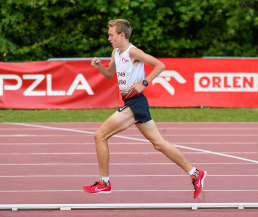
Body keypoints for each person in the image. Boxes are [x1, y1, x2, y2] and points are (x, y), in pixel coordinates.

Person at [82, 19, 206, 199]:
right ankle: (195, 173)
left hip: (135, 103)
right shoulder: (116, 51)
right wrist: (99, 66)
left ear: (121, 35)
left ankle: (104, 183)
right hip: (133, 103)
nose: (108, 38)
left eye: (111, 35)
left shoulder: (133, 52)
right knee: (159, 143)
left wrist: (143, 83)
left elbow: (160, 65)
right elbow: (110, 74)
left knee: (99, 135)